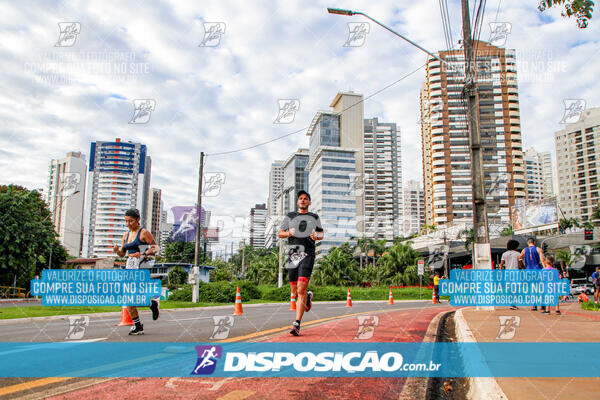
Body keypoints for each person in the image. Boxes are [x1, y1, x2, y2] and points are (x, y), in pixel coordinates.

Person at [278, 190, 324, 336]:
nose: (303, 200)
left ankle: (297, 324)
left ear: (309, 202)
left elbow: (321, 234)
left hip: (308, 253)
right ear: (297, 202)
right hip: (293, 253)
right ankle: (308, 297)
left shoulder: (314, 217)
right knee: (294, 290)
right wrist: (289, 233)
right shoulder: (290, 216)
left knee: (301, 288)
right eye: (301, 199)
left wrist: (316, 236)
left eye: (305, 199)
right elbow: (279, 233)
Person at [113, 208, 160, 335]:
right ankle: (138, 324)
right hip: (130, 267)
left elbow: (156, 248)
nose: (128, 224)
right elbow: (123, 254)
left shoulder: (144, 233)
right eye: (126, 221)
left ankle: (151, 304)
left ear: (138, 220)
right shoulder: (126, 235)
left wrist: (142, 253)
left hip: (141, 266)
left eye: (131, 221)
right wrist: (117, 251)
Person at [519, 238, 545, 311]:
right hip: (537, 270)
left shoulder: (524, 250)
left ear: (528, 243)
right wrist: (545, 268)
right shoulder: (538, 249)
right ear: (534, 242)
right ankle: (542, 305)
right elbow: (542, 260)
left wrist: (523, 265)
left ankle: (534, 305)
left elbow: (520, 258)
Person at [500, 239, 521, 310]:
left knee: (509, 289)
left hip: (507, 273)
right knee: (516, 289)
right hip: (515, 273)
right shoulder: (518, 254)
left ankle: (511, 303)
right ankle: (513, 304)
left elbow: (501, 264)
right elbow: (521, 263)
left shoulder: (504, 254)